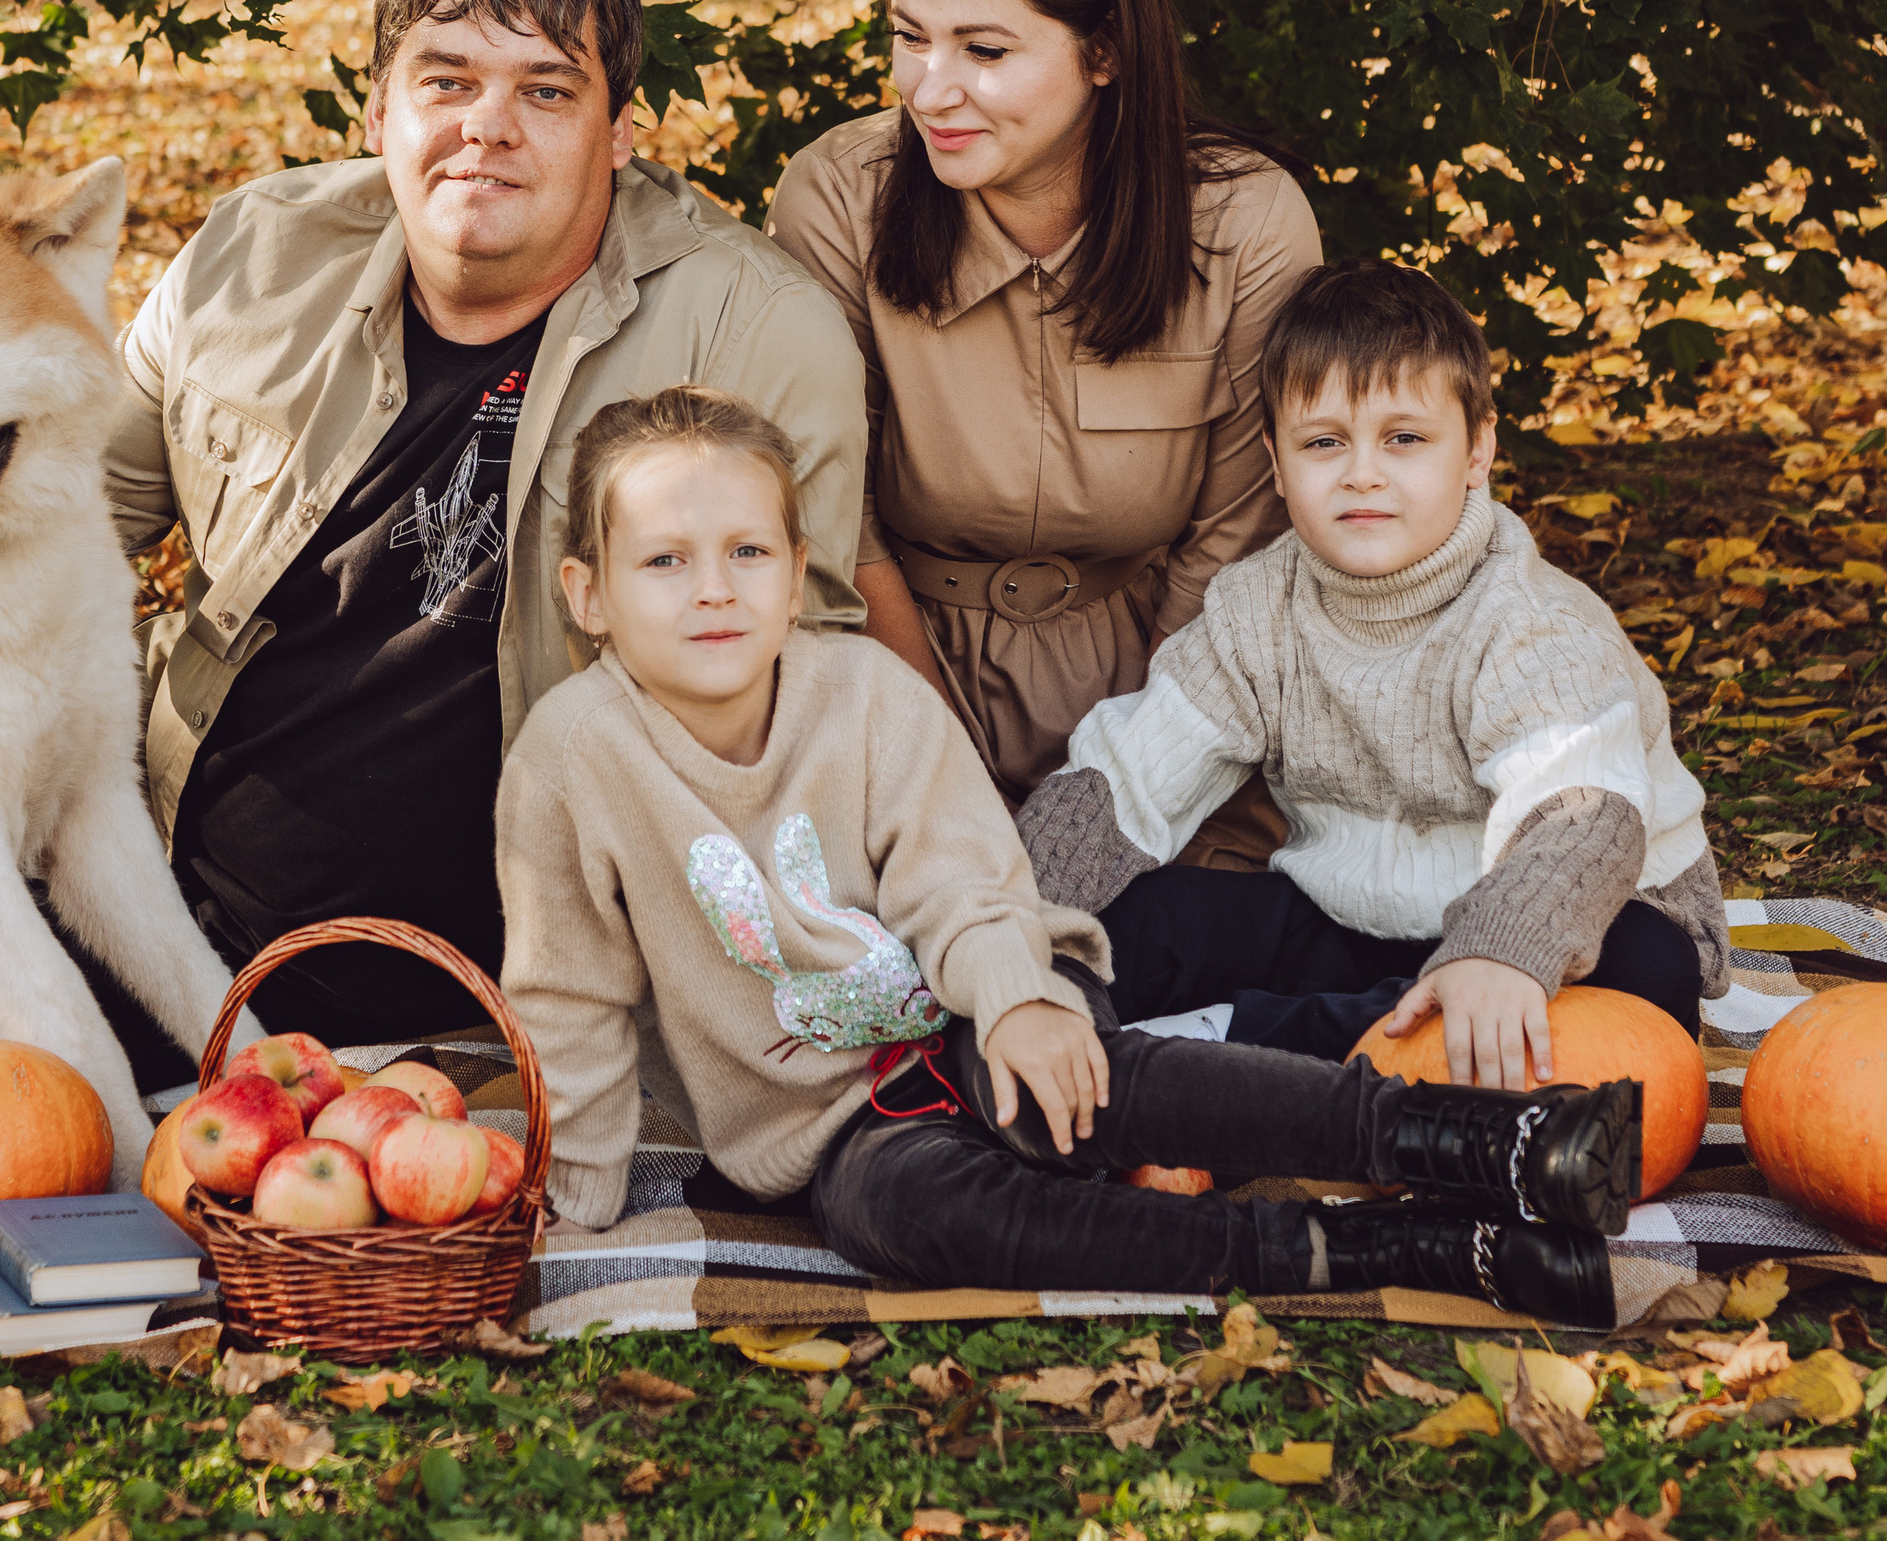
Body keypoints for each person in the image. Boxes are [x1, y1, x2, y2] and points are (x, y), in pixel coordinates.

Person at [0, 0, 869, 1061]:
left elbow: (797, 698)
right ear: (380, 105)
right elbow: (49, 498)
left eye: (546, 91)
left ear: (620, 129)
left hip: (539, 969)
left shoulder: (751, 329)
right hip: (181, 918)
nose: (487, 128)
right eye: (446, 81)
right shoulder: (253, 258)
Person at [496, 384, 1642, 1325]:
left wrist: (1015, 1004)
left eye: (747, 550)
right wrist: (574, 1200)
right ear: (586, 593)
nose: (712, 588)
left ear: (799, 576)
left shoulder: (862, 695)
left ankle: (1484, 1137)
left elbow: (963, 877)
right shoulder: (570, 759)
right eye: (663, 561)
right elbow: (570, 988)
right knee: (916, 1221)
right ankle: (1381, 1246)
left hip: (973, 1000)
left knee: (1080, 1085)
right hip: (824, 1125)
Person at [1017, 260, 1731, 1078]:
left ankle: (1226, 1048)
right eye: (1324, 442)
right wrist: (1008, 929)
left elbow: (1583, 820)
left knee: (1642, 974)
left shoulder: (1531, 622)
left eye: (1404, 439)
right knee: (1136, 915)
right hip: (1354, 924)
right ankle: (1123, 1030)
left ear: (1477, 449)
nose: (1362, 472)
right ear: (1278, 466)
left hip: (1570, 917)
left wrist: (1499, 952)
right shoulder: (1259, 610)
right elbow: (1127, 781)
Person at [767, 0, 1321, 826]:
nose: (930, 90)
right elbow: (831, 517)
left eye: (983, 51)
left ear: (1103, 52)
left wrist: (1124, 792)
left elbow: (1236, 540)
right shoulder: (837, 198)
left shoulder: (1245, 222)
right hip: (893, 676)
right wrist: (944, 788)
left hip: (1175, 694)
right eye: (908, 37)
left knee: (1183, 950)